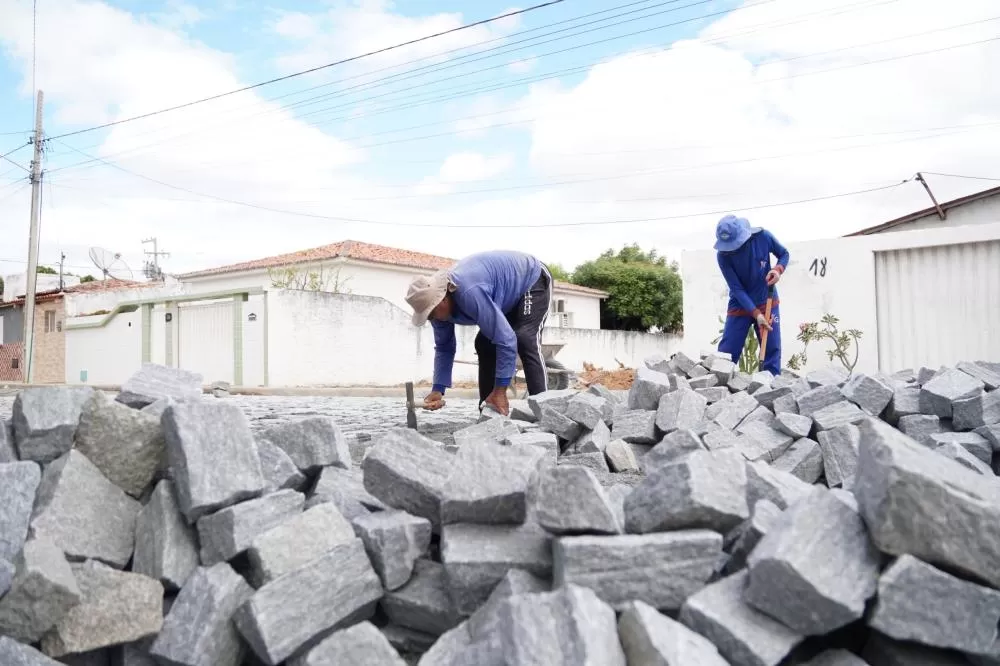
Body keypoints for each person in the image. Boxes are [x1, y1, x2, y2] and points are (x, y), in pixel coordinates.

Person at [405, 250, 552, 416]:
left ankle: (545, 411)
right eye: (428, 316)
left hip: (531, 279)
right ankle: (489, 410)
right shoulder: (438, 313)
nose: (433, 319)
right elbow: (444, 347)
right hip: (505, 297)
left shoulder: (469, 292)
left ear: (443, 298)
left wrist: (501, 390)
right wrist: (438, 389)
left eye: (432, 313)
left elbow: (507, 340)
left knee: (525, 338)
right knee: (484, 343)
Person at [714, 214, 790, 376]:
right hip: (740, 305)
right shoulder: (723, 256)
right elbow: (737, 288)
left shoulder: (763, 237)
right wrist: (756, 314)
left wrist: (777, 270)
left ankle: (771, 392)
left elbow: (784, 254)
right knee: (726, 354)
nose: (732, 250)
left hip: (766, 300)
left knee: (771, 350)